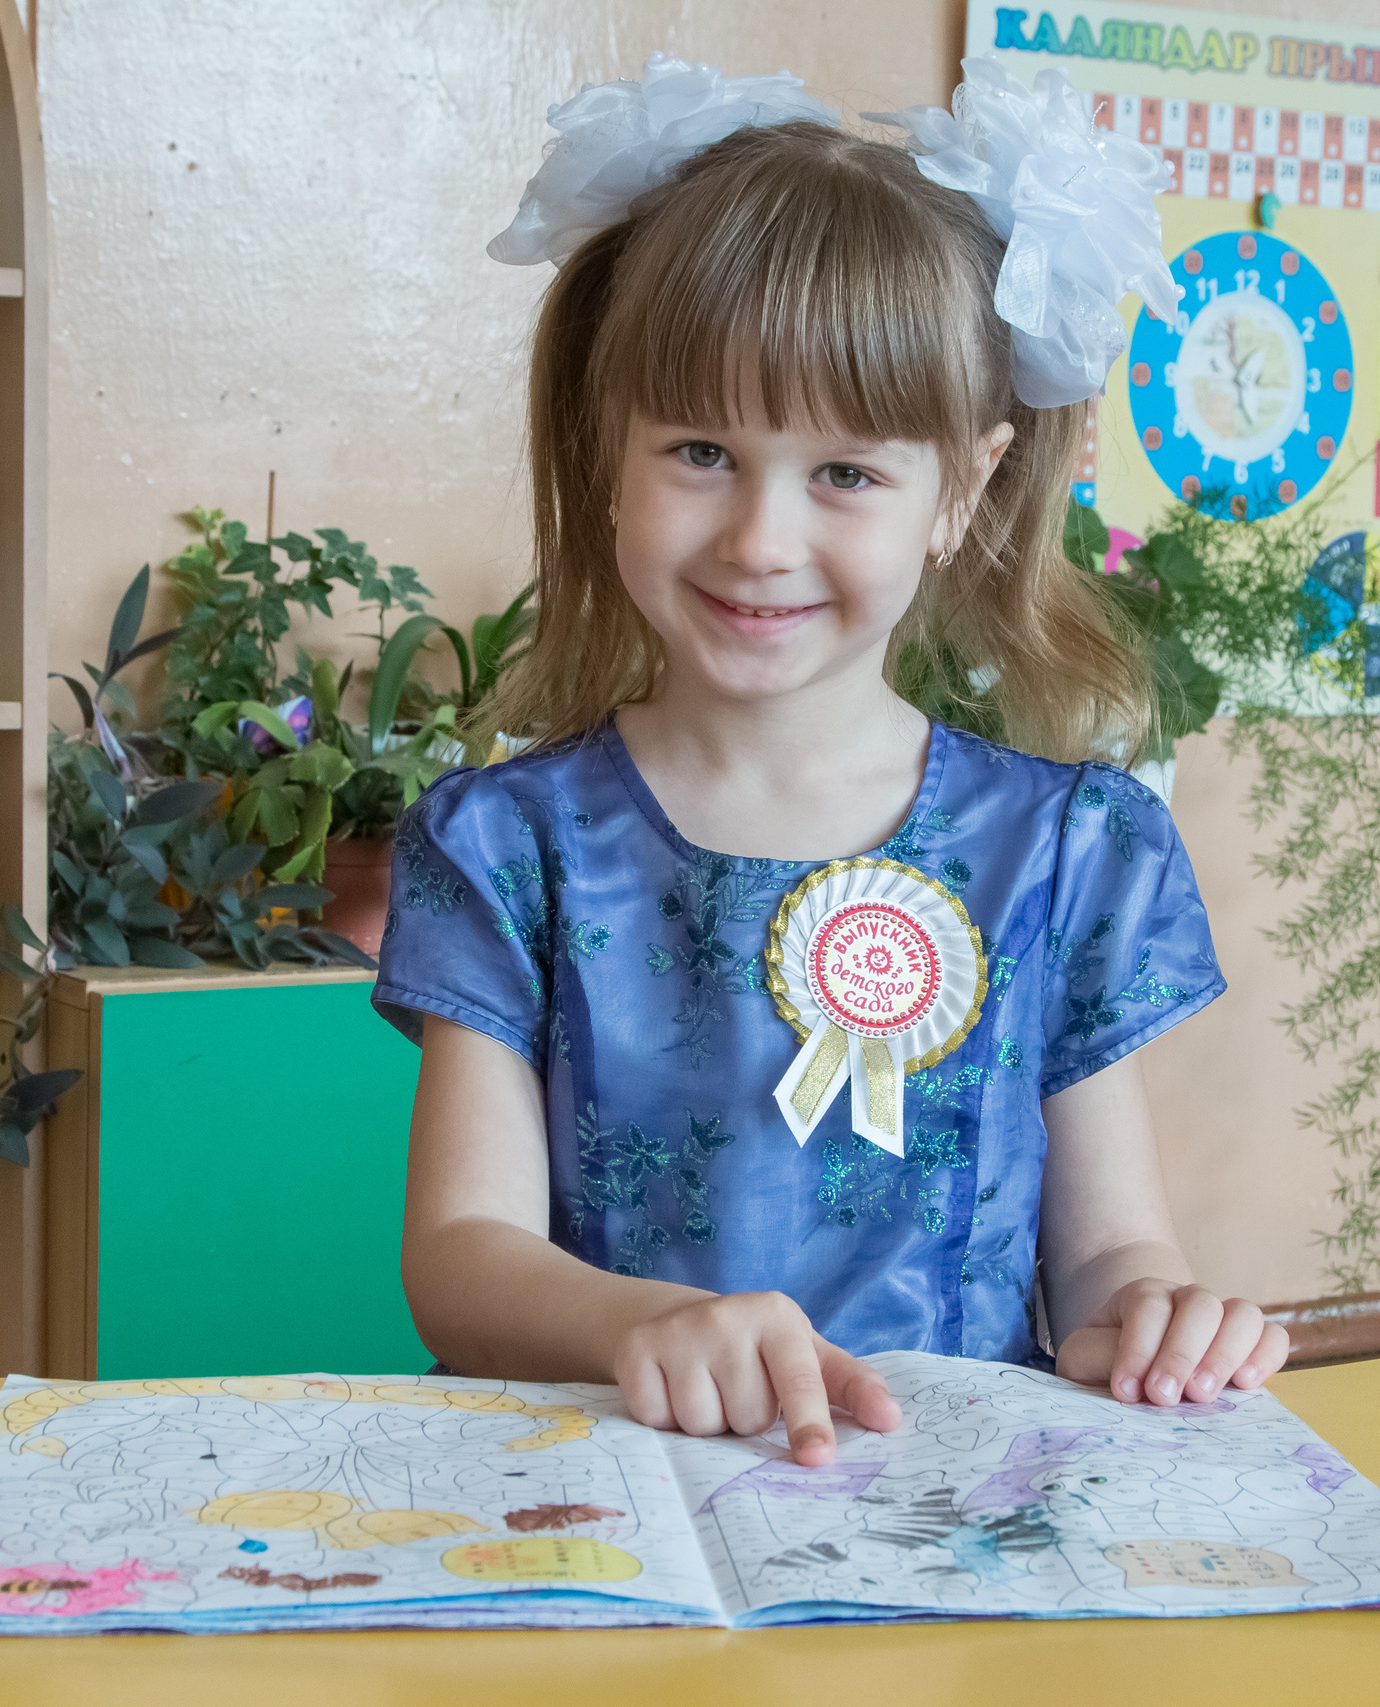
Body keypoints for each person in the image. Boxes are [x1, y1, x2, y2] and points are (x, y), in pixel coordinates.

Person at [375, 55, 1288, 1468]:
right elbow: (463, 1254)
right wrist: (638, 1325)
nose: (760, 538)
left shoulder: (1066, 853)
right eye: (700, 451)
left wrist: (1153, 1314)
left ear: (964, 489)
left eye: (847, 473)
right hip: (612, 1509)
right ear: (603, 451)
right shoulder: (506, 847)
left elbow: (1111, 1250)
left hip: (952, 1524)